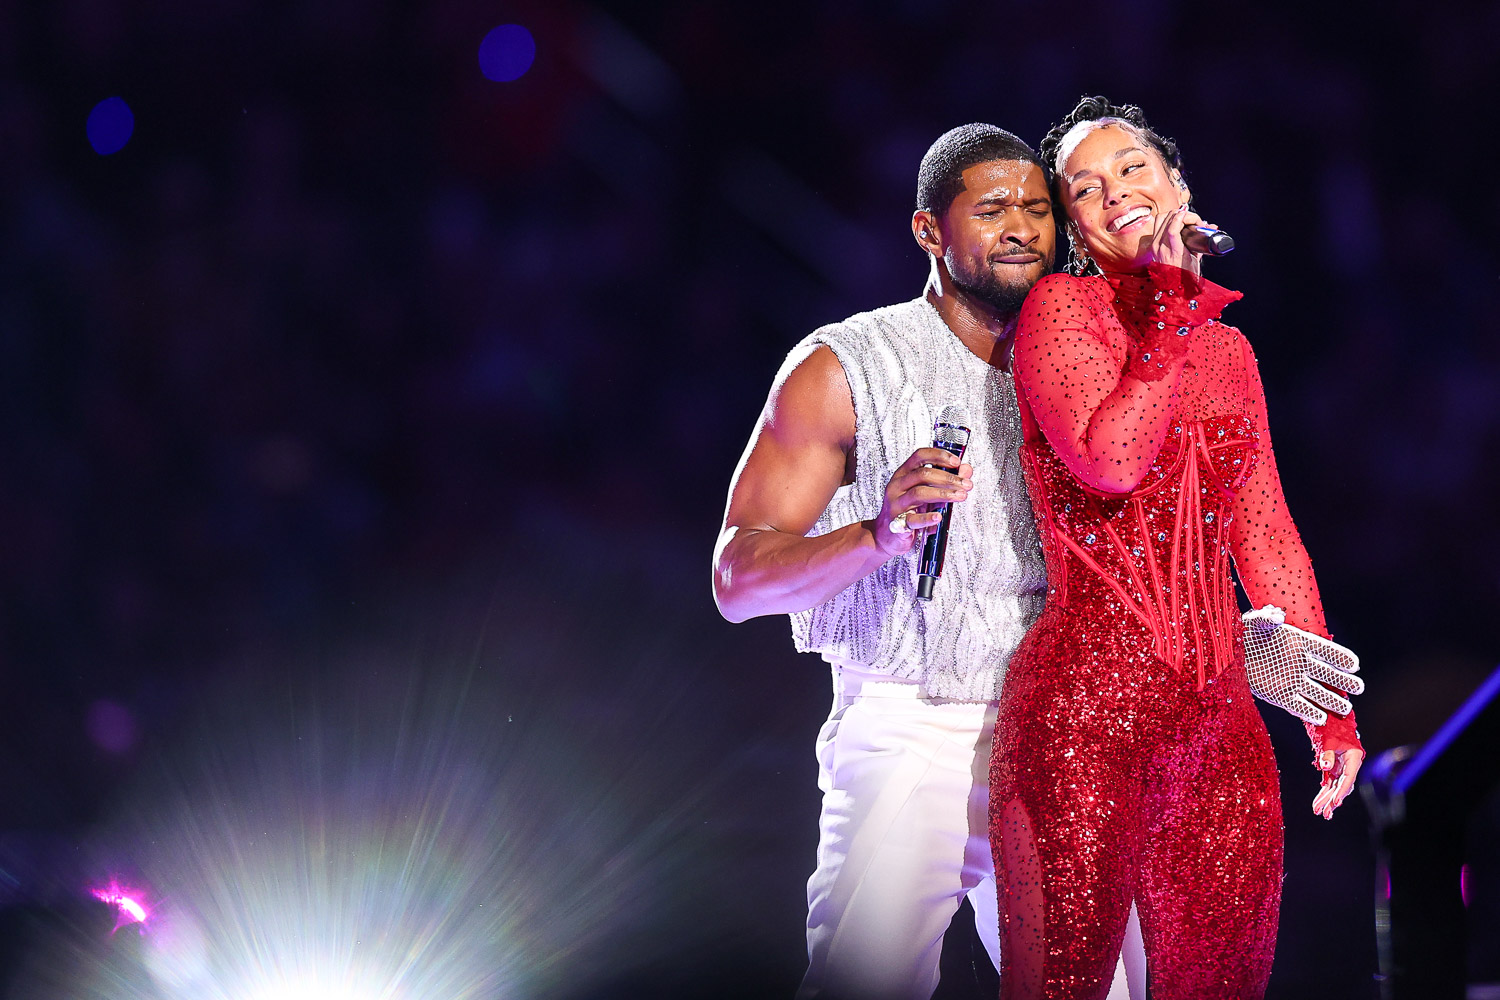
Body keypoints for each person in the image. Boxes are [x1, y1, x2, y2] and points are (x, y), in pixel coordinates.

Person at [713, 124, 1146, 1000]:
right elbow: (737, 579)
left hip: (1064, 730)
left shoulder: (1087, 367)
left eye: (1036, 209)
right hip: (914, 723)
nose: (1022, 227)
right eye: (992, 210)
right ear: (927, 231)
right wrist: (876, 534)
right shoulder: (848, 365)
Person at [988, 96, 1365, 1000]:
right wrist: (1165, 306)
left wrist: (1329, 709)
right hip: (1081, 720)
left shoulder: (1229, 352)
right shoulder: (1058, 311)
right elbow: (1112, 463)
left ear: (1178, 185)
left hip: (1220, 731)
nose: (1113, 191)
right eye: (1084, 187)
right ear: (1074, 226)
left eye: (1131, 169)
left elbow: (1265, 531)